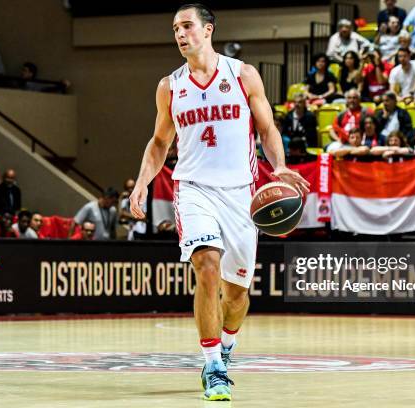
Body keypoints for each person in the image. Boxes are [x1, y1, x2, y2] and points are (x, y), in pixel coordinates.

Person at [129, 4, 309, 401]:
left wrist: (278, 166)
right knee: (206, 265)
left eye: (187, 25)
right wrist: (142, 182)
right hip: (193, 188)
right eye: (175, 27)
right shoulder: (169, 86)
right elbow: (160, 142)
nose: (180, 33)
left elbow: (266, 127)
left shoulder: (242, 74)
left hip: (242, 195)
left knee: (237, 294)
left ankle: (226, 347)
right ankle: (212, 365)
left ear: (208, 29)